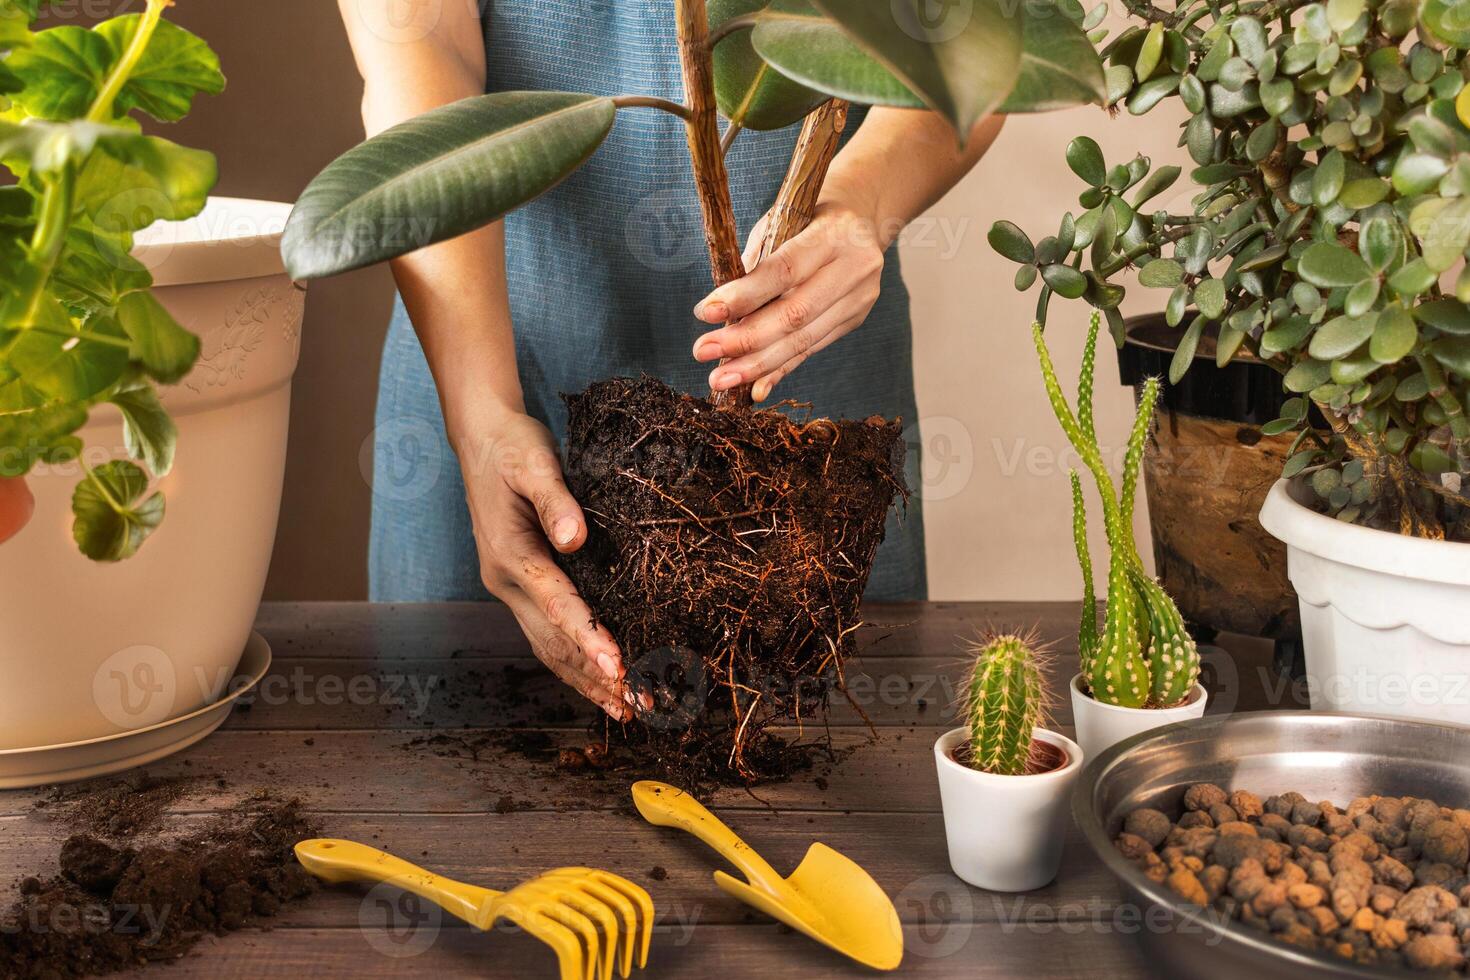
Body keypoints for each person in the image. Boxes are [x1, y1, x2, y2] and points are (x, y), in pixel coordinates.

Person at [340, 0, 1004, 721]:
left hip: (809, 394)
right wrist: (481, 414)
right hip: (489, 361)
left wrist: (863, 203)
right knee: (453, 787)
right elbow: (420, 58)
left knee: (841, 777)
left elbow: (988, 37)